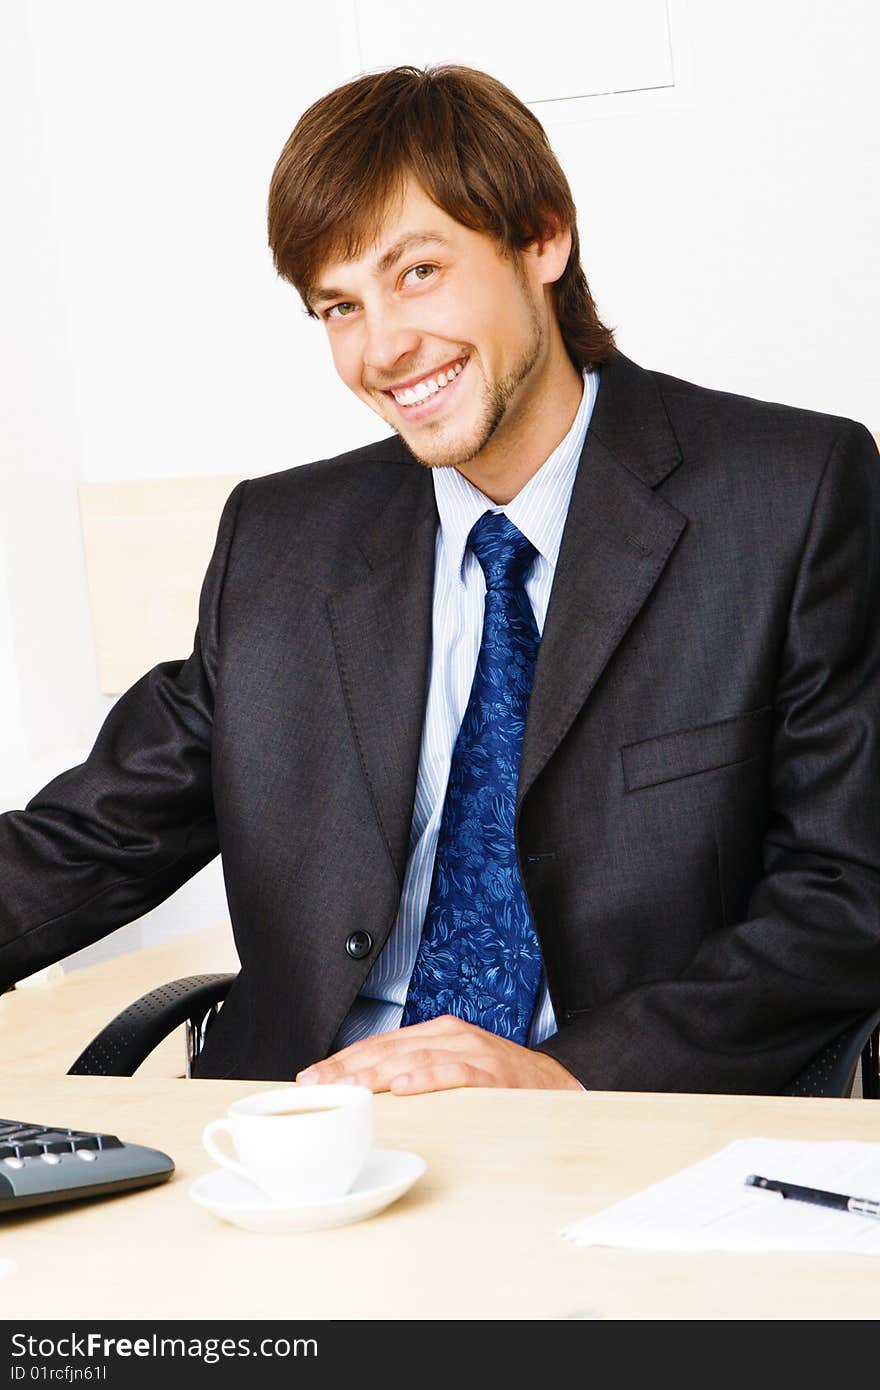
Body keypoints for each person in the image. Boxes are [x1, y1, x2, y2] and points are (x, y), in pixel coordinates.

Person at [1, 65, 878, 1095]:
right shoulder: (282, 540)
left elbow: (848, 891)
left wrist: (562, 1077)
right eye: (338, 305)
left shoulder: (791, 495)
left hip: (610, 1122)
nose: (383, 347)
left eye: (418, 271)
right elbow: (88, 838)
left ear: (542, 239)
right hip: (306, 1133)